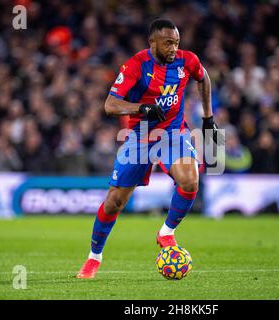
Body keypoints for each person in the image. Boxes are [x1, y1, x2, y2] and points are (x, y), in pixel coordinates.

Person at [77, 19, 219, 278]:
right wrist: (141, 108)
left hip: (173, 134)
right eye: (168, 43)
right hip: (140, 138)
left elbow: (204, 77)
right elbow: (110, 105)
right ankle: (94, 257)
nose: (174, 48)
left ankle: (166, 232)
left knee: (190, 179)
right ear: (152, 42)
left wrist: (208, 118)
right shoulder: (136, 65)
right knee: (114, 202)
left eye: (176, 42)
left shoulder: (186, 61)